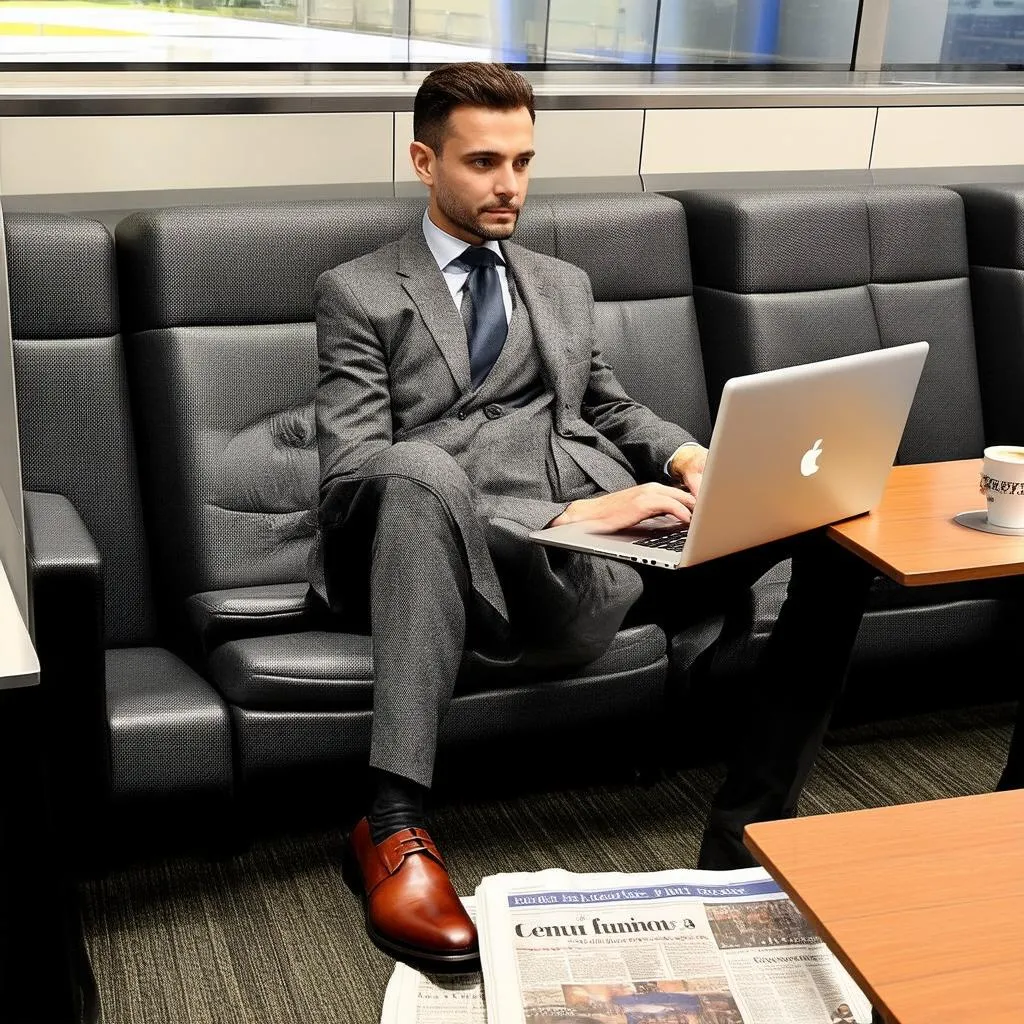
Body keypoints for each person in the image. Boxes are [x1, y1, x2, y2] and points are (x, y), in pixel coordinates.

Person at [309, 61, 875, 967]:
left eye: (524, 162)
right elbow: (351, 476)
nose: (509, 187)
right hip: (481, 563)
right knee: (412, 466)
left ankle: (750, 834)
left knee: (828, 513)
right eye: (484, 162)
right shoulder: (361, 292)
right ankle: (392, 825)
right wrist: (576, 512)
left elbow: (608, 406)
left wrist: (693, 456)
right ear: (423, 161)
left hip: (612, 560)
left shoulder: (560, 283)